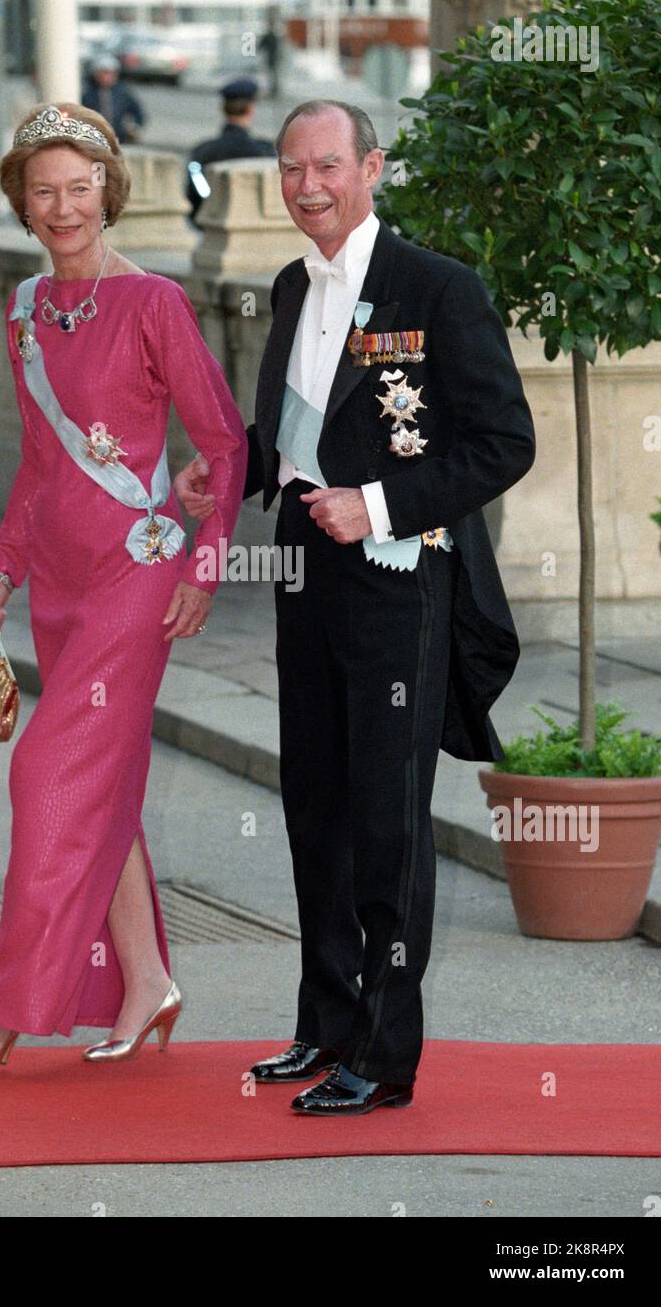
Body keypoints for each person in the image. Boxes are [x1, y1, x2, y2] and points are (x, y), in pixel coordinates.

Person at [176, 99, 536, 1116]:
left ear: (371, 166)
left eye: (328, 165)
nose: (308, 187)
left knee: (387, 818)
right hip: (305, 573)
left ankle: (385, 1050)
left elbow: (503, 443)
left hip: (399, 580)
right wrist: (231, 467)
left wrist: (374, 501)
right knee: (316, 807)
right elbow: (298, 429)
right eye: (292, 169)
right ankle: (326, 1022)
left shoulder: (439, 288)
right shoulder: (293, 284)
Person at [0, 102, 248, 1080]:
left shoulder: (153, 302)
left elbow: (224, 439)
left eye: (80, 188)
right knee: (97, 782)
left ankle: (2, 1010)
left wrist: (206, 561)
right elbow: (38, 466)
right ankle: (148, 977)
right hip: (60, 586)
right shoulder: (25, 309)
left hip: (136, 571)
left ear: (107, 193)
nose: (64, 206)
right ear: (23, 203)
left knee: (47, 776)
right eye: (45, 191)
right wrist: (0, 569)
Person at [185, 76, 276, 223]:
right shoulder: (264, 152)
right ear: (251, 109)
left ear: (222, 108)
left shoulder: (202, 151)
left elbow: (197, 195)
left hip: (212, 222)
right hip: (255, 223)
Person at [81, 54, 146, 145]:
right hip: (93, 137)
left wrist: (134, 128)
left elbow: (138, 112)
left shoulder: (123, 93)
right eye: (102, 73)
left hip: (119, 137)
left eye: (109, 73)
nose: (106, 77)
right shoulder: (88, 93)